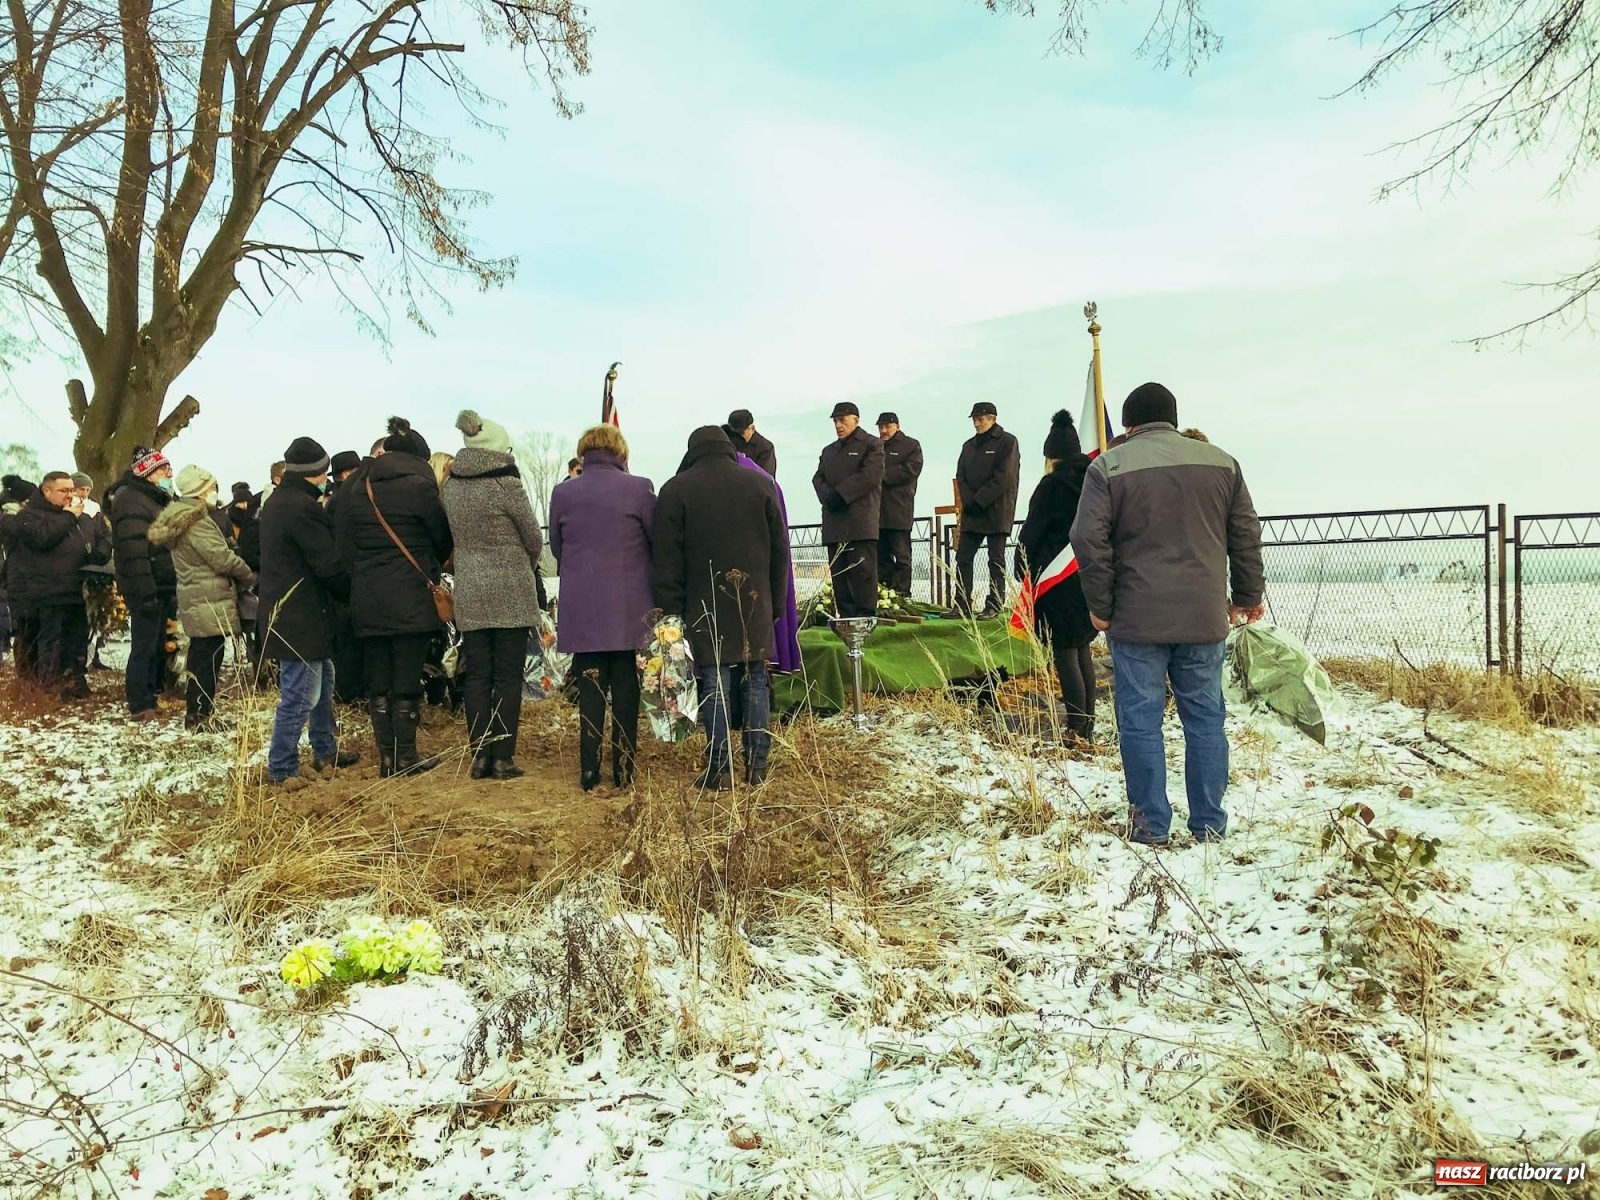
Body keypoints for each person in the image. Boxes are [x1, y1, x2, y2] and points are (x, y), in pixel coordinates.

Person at [1070, 382, 1265, 846]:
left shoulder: (1108, 466)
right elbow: (1245, 535)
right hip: (1203, 615)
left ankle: (1150, 824)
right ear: (1173, 419)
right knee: (1205, 719)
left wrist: (1101, 606)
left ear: (1130, 423)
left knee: (1140, 720)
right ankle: (1209, 825)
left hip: (1136, 618)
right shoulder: (1222, 463)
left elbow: (1087, 538)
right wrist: (1246, 594)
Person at [654, 426, 787, 790]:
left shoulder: (676, 489)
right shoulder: (761, 485)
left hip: (703, 603)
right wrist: (774, 603)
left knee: (715, 681)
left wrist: (670, 608)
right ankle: (757, 767)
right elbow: (780, 554)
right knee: (756, 678)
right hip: (755, 600)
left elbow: (666, 558)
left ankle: (720, 769)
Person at [335, 416, 452, 777]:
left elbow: (345, 542)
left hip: (368, 595)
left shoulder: (358, 485)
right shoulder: (420, 486)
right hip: (410, 595)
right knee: (406, 677)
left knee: (378, 679)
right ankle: (405, 757)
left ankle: (387, 757)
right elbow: (441, 539)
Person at [549, 423, 657, 790]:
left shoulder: (563, 493)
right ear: (620, 451)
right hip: (628, 607)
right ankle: (624, 767)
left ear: (584, 452)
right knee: (626, 688)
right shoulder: (640, 488)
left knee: (590, 689)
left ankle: (588, 770)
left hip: (582, 606)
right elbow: (654, 540)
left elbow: (557, 548)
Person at [442, 409, 546, 780]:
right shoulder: (506, 483)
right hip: (510, 590)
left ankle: (480, 756)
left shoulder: (452, 485)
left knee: (477, 676)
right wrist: (521, 561)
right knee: (507, 676)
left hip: (470, 587)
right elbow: (533, 536)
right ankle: (502, 756)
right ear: (501, 448)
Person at [258, 437, 359, 787]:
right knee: (301, 694)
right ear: (312, 474)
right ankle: (282, 766)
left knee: (324, 681)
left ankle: (324, 749)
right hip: (301, 615)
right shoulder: (302, 508)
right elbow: (326, 563)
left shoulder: (277, 502)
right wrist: (351, 591)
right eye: (322, 473)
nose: (325, 479)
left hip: (296, 614)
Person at [148, 465, 255, 729]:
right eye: (210, 487)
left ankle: (198, 714)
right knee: (208, 659)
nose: (213, 492)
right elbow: (221, 558)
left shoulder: (183, 518)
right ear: (199, 490)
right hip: (209, 596)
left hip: (197, 594)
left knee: (202, 656)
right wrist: (247, 573)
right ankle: (200, 717)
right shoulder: (197, 521)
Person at [1015, 410, 1097, 745]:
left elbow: (1032, 533)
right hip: (1091, 576)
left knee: (1065, 652)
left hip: (1056, 580)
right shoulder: (1095, 482)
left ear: (1051, 456)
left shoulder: (1051, 485)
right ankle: (1088, 724)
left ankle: (1076, 728)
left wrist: (1020, 567)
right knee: (1082, 650)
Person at [8, 471, 103, 697]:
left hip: (75, 589)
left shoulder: (81, 516)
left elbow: (99, 536)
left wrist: (99, 551)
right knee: (50, 644)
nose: (70, 495)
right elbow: (43, 538)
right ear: (46, 491)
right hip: (44, 592)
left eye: (72, 490)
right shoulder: (28, 516)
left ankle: (75, 684)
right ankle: (47, 690)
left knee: (76, 641)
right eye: (64, 490)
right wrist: (69, 517)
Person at [107, 447, 178, 720]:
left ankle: (151, 695)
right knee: (144, 645)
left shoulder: (154, 499)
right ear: (147, 473)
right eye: (163, 470)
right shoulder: (131, 501)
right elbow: (134, 551)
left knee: (156, 642)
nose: (168, 475)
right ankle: (139, 703)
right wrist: (145, 590)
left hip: (159, 583)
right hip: (145, 585)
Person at [725, 426, 800, 674]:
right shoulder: (765, 480)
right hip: (761, 573)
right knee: (758, 658)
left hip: (724, 573)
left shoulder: (707, 476)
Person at [811, 402, 884, 619]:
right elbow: (818, 478)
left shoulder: (872, 445)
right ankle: (846, 620)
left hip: (860, 522)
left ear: (856, 420)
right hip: (834, 522)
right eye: (835, 421)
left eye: (843, 420)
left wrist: (841, 495)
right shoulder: (829, 451)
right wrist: (828, 497)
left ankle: (866, 619)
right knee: (840, 577)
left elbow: (869, 477)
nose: (838, 425)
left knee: (862, 574)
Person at [950, 402, 1020, 619]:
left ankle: (994, 604)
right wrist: (969, 501)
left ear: (993, 419)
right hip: (972, 512)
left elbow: (1004, 476)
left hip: (996, 510)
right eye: (975, 419)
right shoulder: (968, 446)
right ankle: (962, 604)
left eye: (982, 419)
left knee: (995, 559)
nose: (977, 423)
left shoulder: (1007, 442)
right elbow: (960, 475)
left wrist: (980, 500)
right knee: (963, 558)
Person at [875, 412, 923, 598]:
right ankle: (884, 594)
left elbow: (911, 469)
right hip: (877, 511)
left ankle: (902, 593)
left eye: (887, 426)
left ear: (897, 426)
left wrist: (882, 475)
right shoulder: (875, 446)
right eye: (881, 427)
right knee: (881, 556)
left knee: (902, 556)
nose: (884, 430)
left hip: (899, 509)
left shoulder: (910, 445)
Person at [727, 409, 777, 477]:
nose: (737, 437)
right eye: (733, 433)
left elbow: (766, 478)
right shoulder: (726, 443)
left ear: (752, 428)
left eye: (741, 433)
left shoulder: (765, 448)